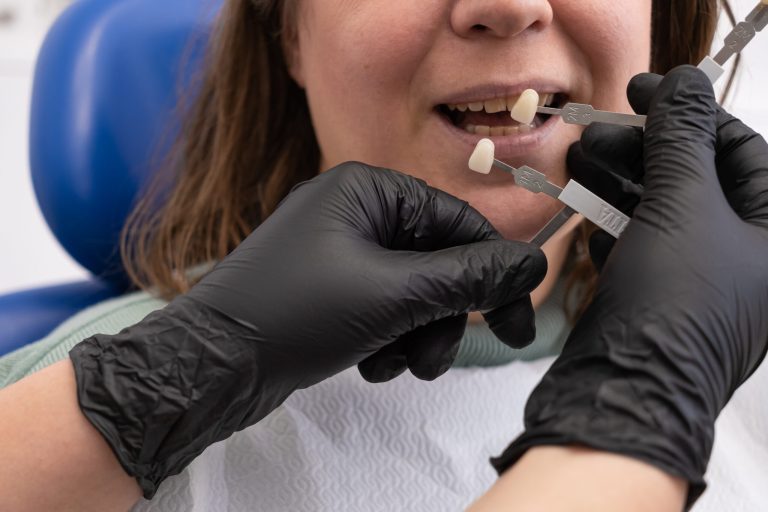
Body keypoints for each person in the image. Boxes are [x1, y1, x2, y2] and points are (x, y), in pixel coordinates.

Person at [0, 1, 765, 511]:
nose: (506, 4)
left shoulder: (746, 372)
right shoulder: (68, 422)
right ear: (291, 35)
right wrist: (643, 405)